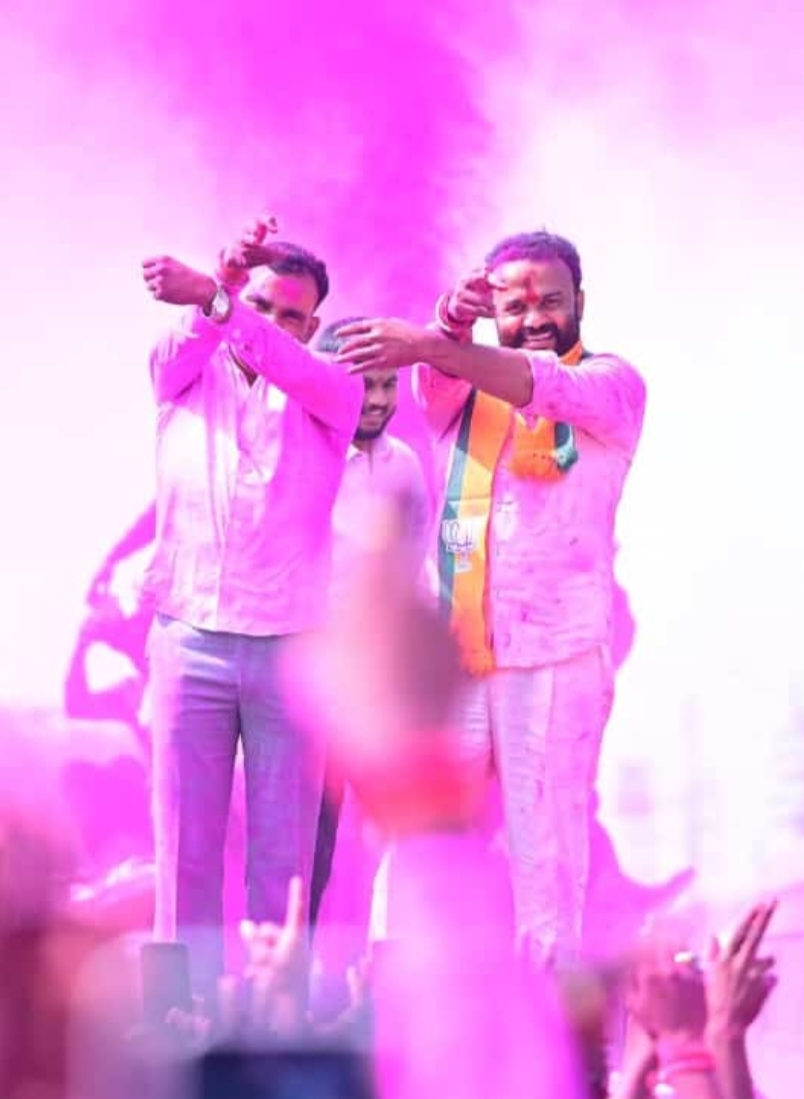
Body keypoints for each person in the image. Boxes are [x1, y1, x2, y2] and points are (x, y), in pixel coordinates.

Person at [335, 228, 645, 970]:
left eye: (550, 302)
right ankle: (402, 997)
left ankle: (552, 1016)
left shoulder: (612, 387)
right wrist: (449, 320)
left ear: (580, 302)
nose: (534, 318)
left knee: (548, 855)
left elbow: (543, 385)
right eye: (515, 306)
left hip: (557, 655)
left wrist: (431, 341)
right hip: (460, 655)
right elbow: (436, 378)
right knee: (419, 833)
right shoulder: (458, 397)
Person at [139, 220, 363, 991]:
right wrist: (216, 297)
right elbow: (186, 339)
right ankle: (180, 1025)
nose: (270, 323)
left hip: (292, 650)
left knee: (282, 859)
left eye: (291, 316)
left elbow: (284, 360)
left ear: (313, 326)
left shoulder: (332, 391)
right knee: (184, 855)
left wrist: (220, 297)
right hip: (188, 637)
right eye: (260, 304)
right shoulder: (183, 368)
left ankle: (276, 1026)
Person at [307, 319, 433, 937]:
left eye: (388, 385)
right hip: (311, 684)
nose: (379, 400)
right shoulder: (300, 453)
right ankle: (290, 977)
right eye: (365, 385)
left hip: (382, 688)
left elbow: (415, 566)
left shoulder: (404, 466)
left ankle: (391, 971)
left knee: (400, 841)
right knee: (312, 845)